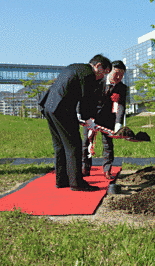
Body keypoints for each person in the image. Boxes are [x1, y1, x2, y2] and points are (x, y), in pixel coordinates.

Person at [39, 54, 112, 191]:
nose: (102, 77)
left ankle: (61, 180)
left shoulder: (75, 67)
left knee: (60, 145)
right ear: (97, 66)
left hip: (49, 106)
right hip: (62, 109)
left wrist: (83, 117)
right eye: (104, 72)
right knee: (74, 145)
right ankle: (76, 182)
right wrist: (88, 119)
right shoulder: (88, 74)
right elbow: (86, 99)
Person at [81, 60, 128, 180]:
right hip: (91, 116)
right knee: (86, 142)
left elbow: (121, 106)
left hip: (108, 119)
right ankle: (85, 167)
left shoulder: (122, 88)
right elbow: (86, 100)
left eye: (121, 75)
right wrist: (86, 117)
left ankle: (107, 169)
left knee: (108, 145)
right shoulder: (97, 81)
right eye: (116, 73)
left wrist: (118, 124)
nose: (118, 77)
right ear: (109, 71)